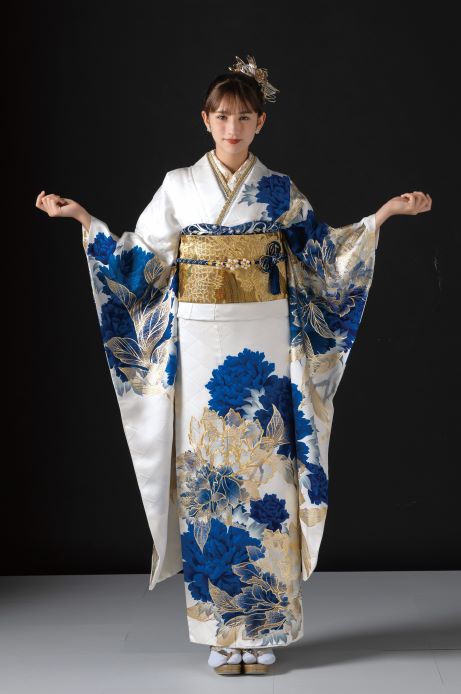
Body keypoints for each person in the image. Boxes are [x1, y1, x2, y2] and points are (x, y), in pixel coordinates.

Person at [35, 54, 432, 676]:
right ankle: (221, 632)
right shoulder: (178, 185)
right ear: (205, 120)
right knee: (207, 476)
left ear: (260, 123)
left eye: (244, 118)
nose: (232, 128)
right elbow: (144, 261)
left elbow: (323, 256)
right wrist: (85, 221)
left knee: (266, 476)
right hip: (198, 345)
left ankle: (264, 624)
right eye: (222, 117)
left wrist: (380, 217)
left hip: (264, 341)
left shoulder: (278, 189)